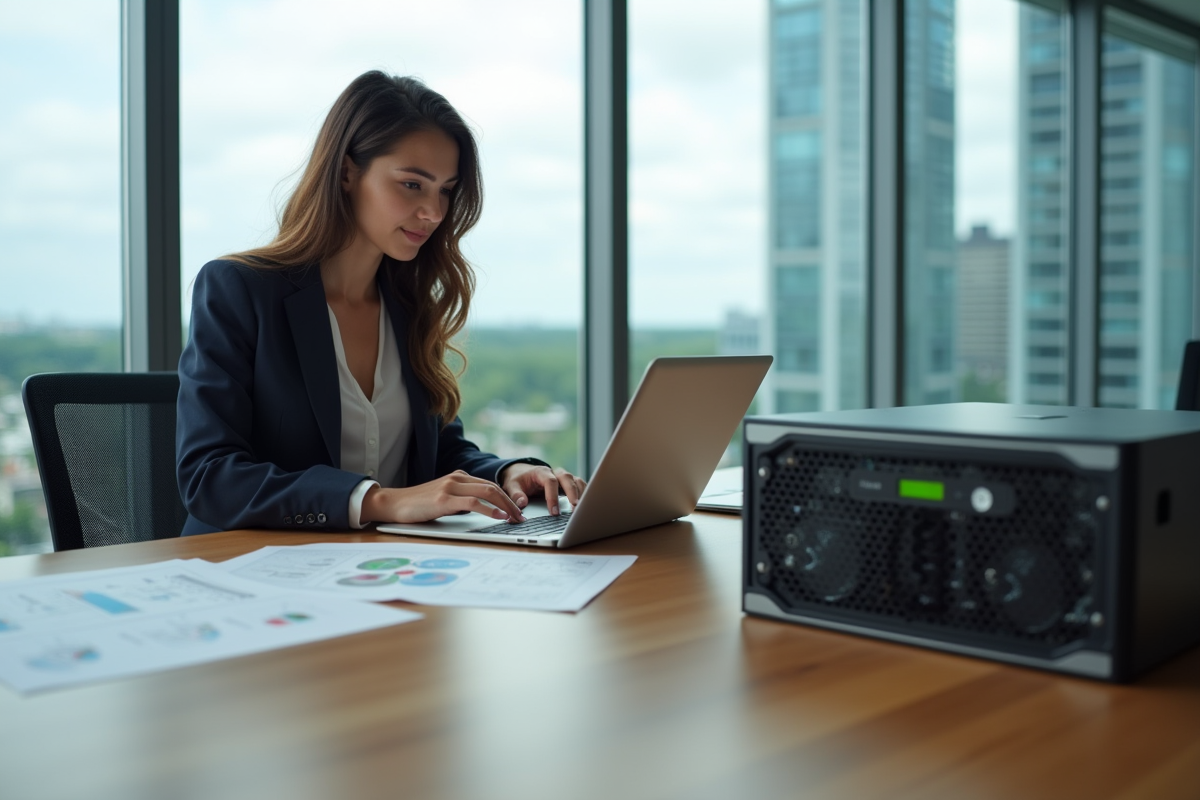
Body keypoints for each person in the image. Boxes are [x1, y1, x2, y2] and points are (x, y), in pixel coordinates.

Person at [176, 71, 586, 536]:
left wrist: (506, 474)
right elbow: (208, 476)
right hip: (251, 573)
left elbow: (438, 453)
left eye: (446, 190)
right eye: (413, 184)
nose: (433, 212)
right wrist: (379, 500)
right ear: (348, 171)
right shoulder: (239, 289)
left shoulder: (409, 304)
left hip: (380, 573)